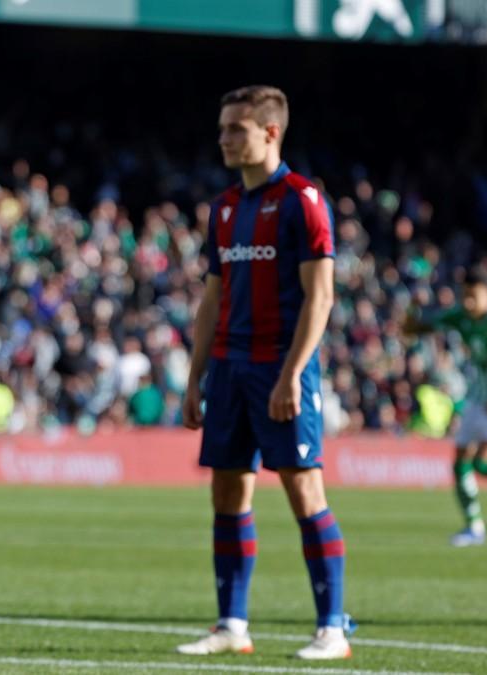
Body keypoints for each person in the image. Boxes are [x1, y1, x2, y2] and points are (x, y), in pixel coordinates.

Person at [176, 85, 350, 660]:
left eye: (237, 129)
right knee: (227, 491)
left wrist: (292, 374)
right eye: (223, 128)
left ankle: (331, 629)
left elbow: (320, 296)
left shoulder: (303, 200)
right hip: (228, 369)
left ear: (271, 132)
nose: (224, 139)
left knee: (304, 489)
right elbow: (212, 299)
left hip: (280, 365)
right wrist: (195, 378)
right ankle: (232, 625)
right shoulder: (224, 208)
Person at [406, 271, 487, 547]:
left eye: (473, 296)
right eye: (464, 296)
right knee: (461, 461)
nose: (467, 302)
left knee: (481, 463)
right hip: (478, 397)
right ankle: (474, 527)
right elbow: (412, 329)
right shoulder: (460, 316)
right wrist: (412, 308)